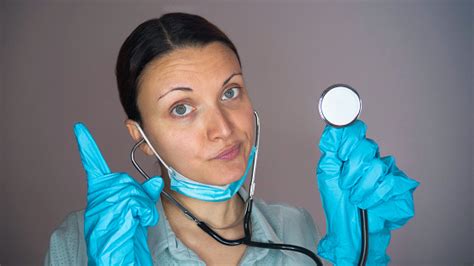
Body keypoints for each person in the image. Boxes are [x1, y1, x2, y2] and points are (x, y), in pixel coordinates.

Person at [45, 12, 418, 265]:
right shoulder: (77, 243)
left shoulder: (297, 229)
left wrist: (354, 255)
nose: (223, 129)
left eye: (230, 92)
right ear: (141, 137)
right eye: (181, 108)